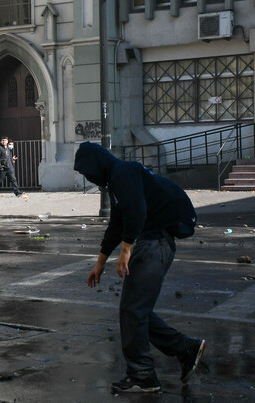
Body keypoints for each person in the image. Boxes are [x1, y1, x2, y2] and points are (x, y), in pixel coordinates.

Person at [73, 141, 206, 393]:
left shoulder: (123, 172)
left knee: (133, 311)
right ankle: (185, 348)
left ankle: (142, 376)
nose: (88, 177)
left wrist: (126, 250)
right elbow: (117, 223)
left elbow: (137, 211)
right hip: (151, 243)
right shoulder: (117, 180)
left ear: (96, 164)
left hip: (154, 244)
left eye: (86, 171)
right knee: (136, 311)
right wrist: (100, 263)